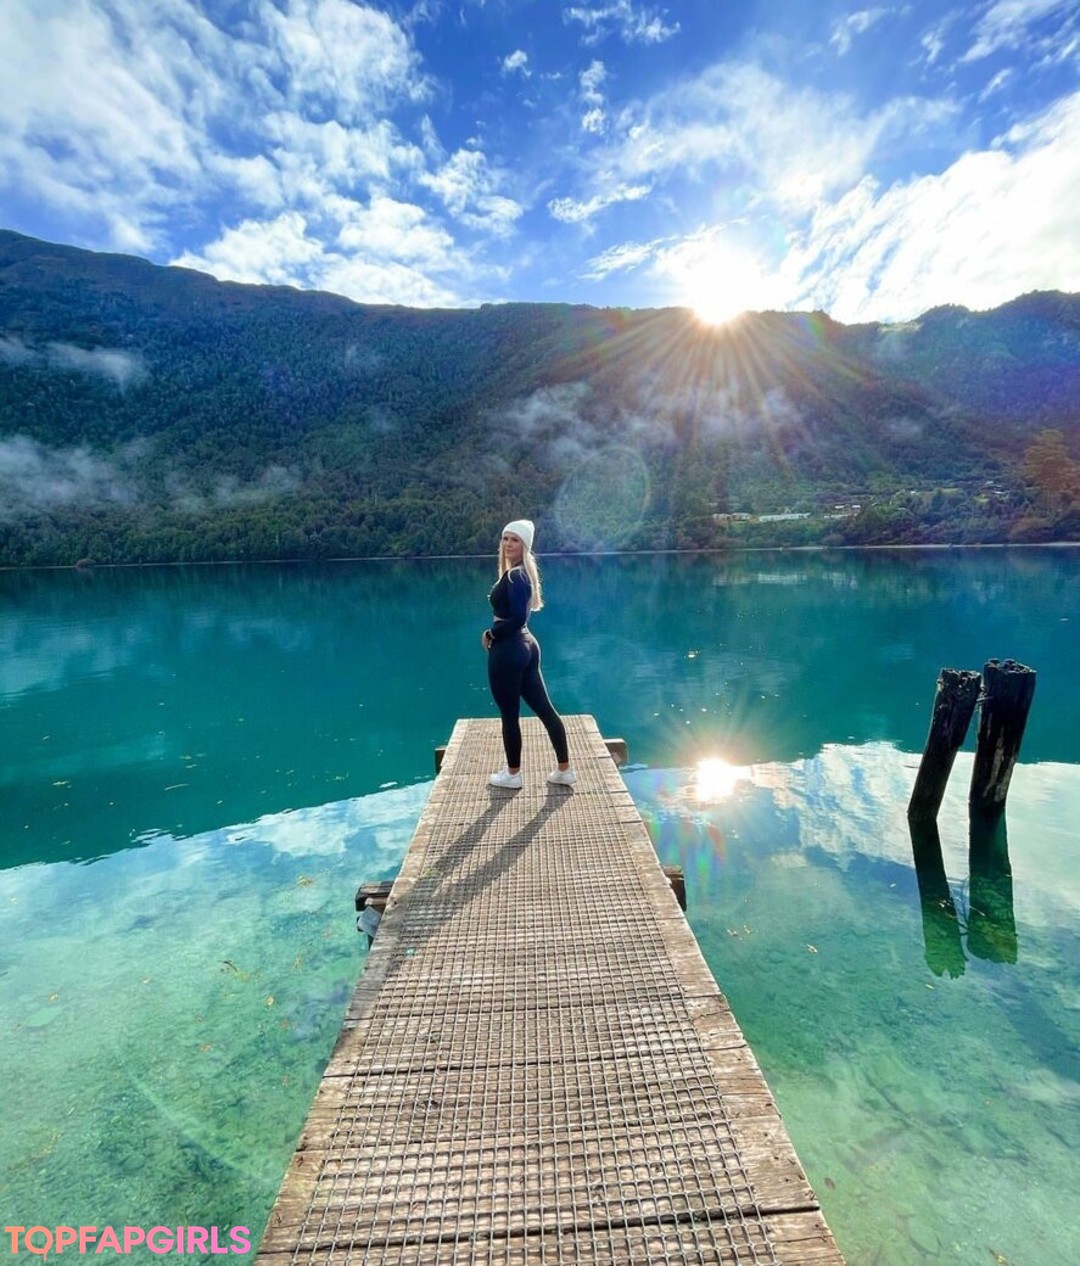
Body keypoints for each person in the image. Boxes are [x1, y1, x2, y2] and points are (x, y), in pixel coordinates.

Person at [482, 519, 576, 790]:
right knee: (545, 709)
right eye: (505, 538)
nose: (508, 544)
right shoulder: (521, 574)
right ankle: (564, 770)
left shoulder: (515, 576)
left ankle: (512, 775)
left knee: (510, 714)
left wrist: (491, 635)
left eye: (515, 540)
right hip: (526, 646)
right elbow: (520, 619)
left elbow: (516, 618)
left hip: (509, 648)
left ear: (524, 545)